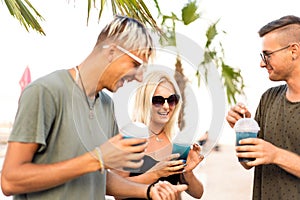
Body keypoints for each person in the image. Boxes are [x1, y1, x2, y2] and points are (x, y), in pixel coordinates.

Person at [1, 15, 188, 200]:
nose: (139, 77)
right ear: (112, 52)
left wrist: (148, 191)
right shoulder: (46, 92)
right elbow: (10, 181)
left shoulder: (106, 105)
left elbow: (98, 179)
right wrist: (96, 158)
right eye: (136, 64)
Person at [226, 15, 300, 200]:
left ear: (293, 51)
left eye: (267, 55)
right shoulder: (268, 98)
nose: (261, 63)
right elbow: (248, 162)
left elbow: (271, 155)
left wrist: (275, 155)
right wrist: (243, 128)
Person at [114, 71, 204, 199]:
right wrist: (155, 174)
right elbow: (117, 192)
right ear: (145, 101)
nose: (166, 106)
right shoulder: (129, 136)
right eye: (158, 100)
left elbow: (198, 193)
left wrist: (188, 172)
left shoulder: (175, 139)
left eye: (171, 100)